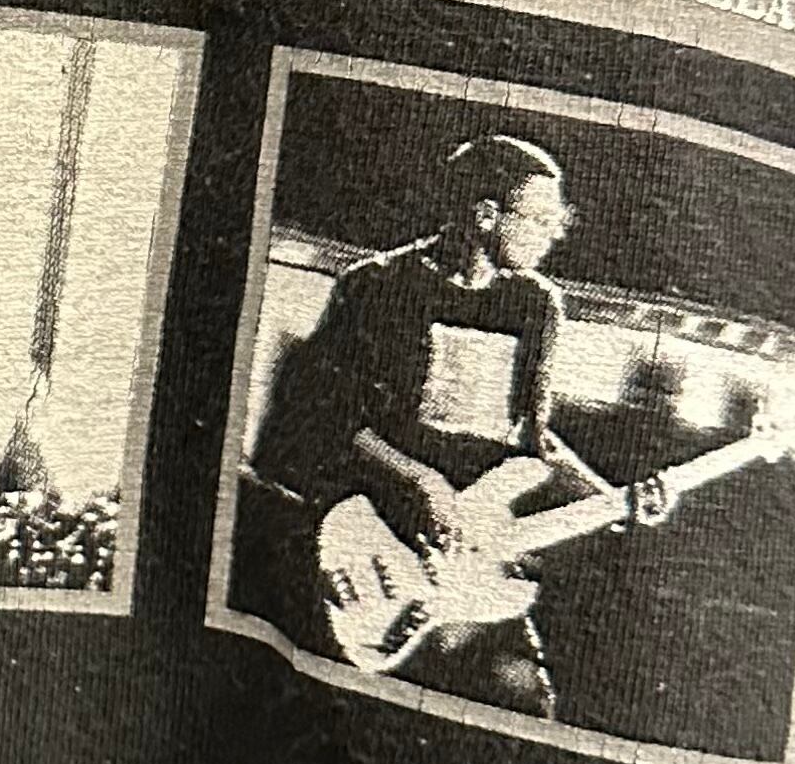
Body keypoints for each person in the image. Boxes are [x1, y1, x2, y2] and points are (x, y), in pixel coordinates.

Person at [242, 132, 668, 718]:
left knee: (527, 700)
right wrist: (423, 482)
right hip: (378, 540)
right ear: (487, 215)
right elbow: (329, 418)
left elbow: (534, 439)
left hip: (469, 553)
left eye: (558, 219)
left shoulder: (538, 305)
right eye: (540, 218)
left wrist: (612, 499)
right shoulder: (378, 285)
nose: (553, 233)